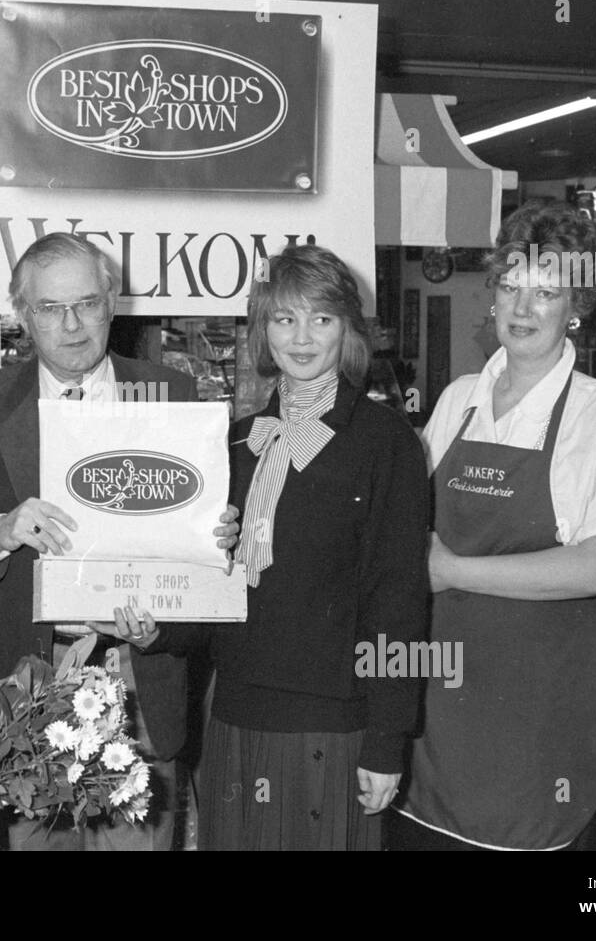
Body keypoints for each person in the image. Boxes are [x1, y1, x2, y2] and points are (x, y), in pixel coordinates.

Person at [103, 244, 430, 850]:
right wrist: (159, 630)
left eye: (321, 319)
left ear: (347, 331)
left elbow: (400, 601)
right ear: (263, 330)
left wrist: (387, 742)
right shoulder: (235, 442)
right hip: (232, 718)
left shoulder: (386, 443)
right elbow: (220, 595)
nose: (302, 337)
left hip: (332, 729)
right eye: (285, 319)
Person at [0, 231, 238, 851]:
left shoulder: (172, 393)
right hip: (27, 691)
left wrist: (216, 537)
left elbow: (203, 556)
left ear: (112, 302)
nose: (72, 325)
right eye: (51, 309)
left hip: (139, 676)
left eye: (88, 303)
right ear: (21, 315)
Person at [394, 199, 596, 851]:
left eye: (546, 291)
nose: (522, 308)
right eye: (511, 285)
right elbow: (409, 521)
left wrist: (454, 570)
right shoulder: (459, 399)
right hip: (438, 698)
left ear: (575, 305)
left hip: (537, 709)